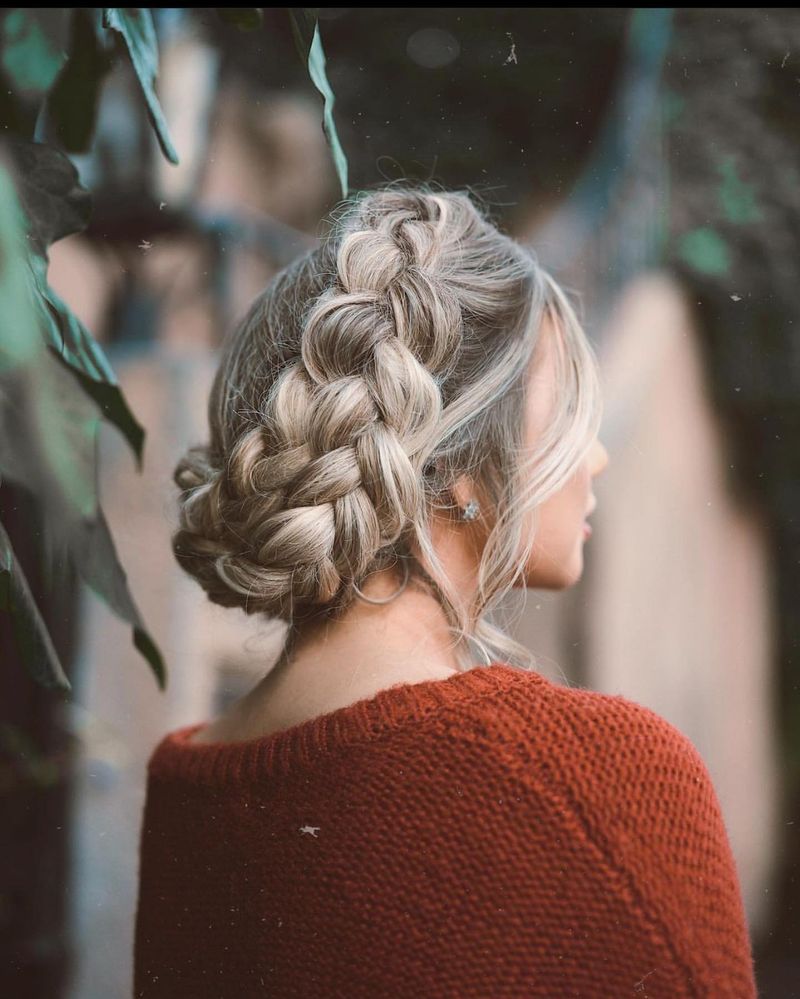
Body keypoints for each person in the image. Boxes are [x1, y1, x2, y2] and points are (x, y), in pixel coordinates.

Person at [133, 182, 758, 997]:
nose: (595, 457)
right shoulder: (604, 775)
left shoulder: (188, 786)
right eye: (568, 405)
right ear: (456, 462)